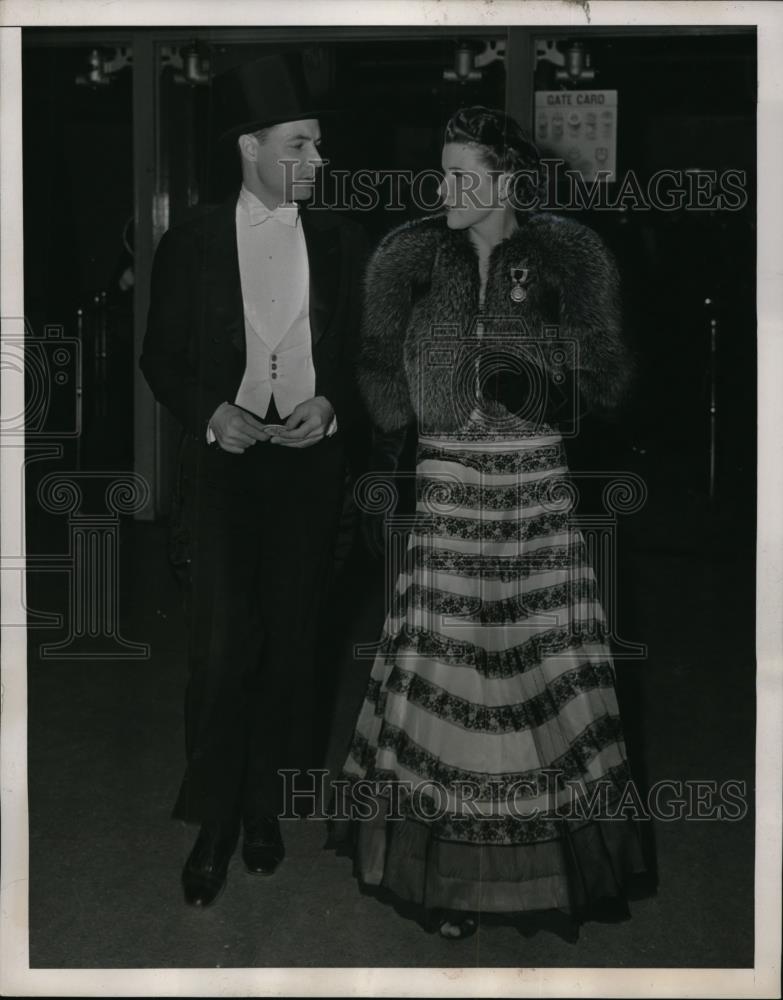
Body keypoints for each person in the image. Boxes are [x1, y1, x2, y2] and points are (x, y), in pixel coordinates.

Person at [331, 106, 651, 940]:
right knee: (454, 675)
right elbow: (378, 375)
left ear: (509, 181)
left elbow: (608, 380)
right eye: (442, 174)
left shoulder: (567, 255)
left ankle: (533, 869)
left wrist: (538, 388)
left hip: (534, 487)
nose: (446, 191)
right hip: (444, 486)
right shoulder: (406, 256)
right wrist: (389, 467)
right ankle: (455, 881)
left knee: (526, 674)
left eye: (465, 176)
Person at [140, 53, 366, 907]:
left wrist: (334, 405)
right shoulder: (192, 240)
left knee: (291, 641)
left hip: (309, 469)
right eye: (301, 145)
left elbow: (356, 357)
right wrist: (210, 411)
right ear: (250, 148)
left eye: (318, 145)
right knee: (224, 644)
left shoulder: (344, 240)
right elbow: (159, 355)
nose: (319, 162)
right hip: (225, 469)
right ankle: (214, 821)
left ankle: (265, 804)